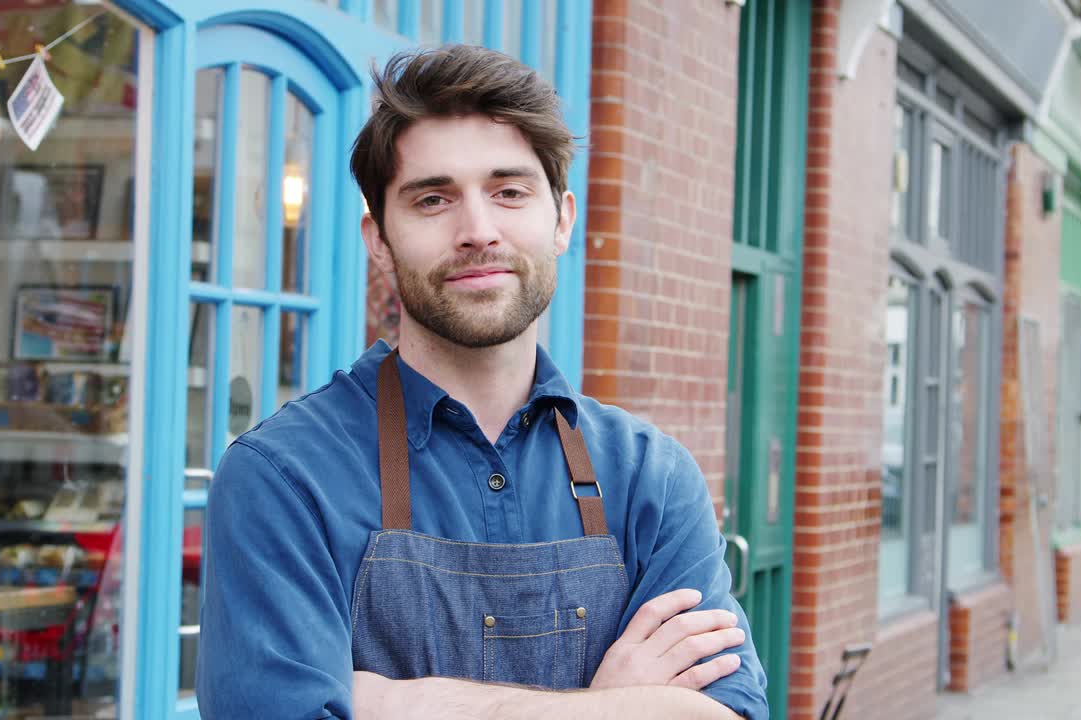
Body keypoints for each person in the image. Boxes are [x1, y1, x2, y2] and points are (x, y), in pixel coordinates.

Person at [196, 44, 767, 720]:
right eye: (433, 199)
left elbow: (724, 713)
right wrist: (607, 705)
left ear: (561, 219)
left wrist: (380, 701)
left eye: (509, 191)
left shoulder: (653, 479)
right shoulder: (283, 478)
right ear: (379, 238)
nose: (478, 230)